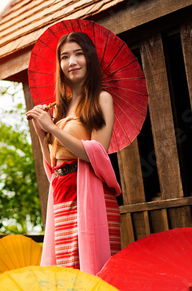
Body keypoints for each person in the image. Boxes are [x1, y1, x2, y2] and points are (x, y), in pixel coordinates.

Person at [25, 32, 121, 275]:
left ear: (89, 58)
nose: (72, 62)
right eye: (65, 57)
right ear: (59, 65)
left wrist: (52, 128)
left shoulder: (102, 99)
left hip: (90, 194)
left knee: (92, 271)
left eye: (79, 54)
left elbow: (97, 153)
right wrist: (41, 133)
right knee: (66, 271)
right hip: (62, 194)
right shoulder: (60, 107)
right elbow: (53, 165)